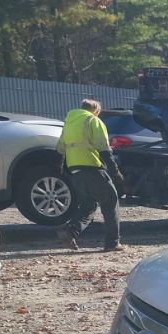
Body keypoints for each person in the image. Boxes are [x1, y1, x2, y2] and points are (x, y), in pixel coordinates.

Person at [55, 99, 125, 252]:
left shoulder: (69, 123)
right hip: (93, 168)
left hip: (75, 171)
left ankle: (70, 231)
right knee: (110, 202)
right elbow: (104, 148)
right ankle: (112, 243)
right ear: (96, 111)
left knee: (88, 204)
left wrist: (60, 170)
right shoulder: (93, 121)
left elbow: (60, 148)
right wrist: (115, 172)